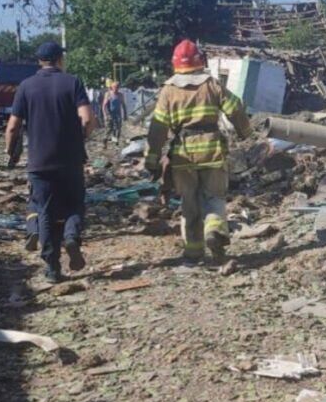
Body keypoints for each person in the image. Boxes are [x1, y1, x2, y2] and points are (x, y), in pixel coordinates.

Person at [145, 39, 254, 263]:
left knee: (189, 204)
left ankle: (193, 253)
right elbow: (235, 108)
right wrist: (246, 132)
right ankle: (213, 231)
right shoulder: (212, 85)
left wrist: (152, 158)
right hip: (212, 151)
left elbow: (158, 128)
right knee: (214, 197)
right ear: (199, 62)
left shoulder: (168, 91)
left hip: (183, 156)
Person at [5, 41, 93, 282]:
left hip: (39, 162)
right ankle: (72, 237)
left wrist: (10, 152)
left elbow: (13, 127)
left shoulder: (25, 86)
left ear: (39, 61)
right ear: (59, 59)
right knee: (75, 204)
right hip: (70, 161)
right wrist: (80, 139)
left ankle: (53, 269)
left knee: (44, 212)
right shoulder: (72, 82)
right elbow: (87, 119)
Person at [103, 78, 127, 143]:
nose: (116, 89)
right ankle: (105, 140)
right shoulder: (108, 94)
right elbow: (104, 106)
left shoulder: (120, 95)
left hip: (118, 114)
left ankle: (117, 140)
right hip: (110, 114)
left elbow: (123, 105)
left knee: (118, 128)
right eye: (114, 87)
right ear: (112, 87)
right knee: (109, 128)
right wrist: (105, 115)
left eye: (117, 87)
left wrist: (125, 115)